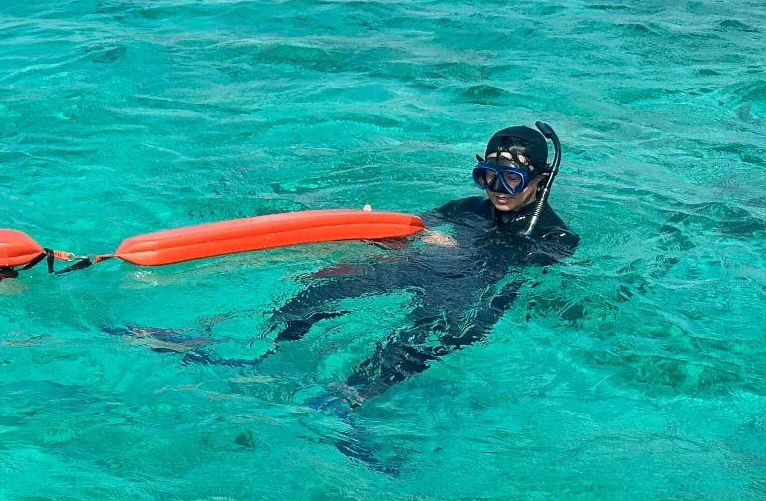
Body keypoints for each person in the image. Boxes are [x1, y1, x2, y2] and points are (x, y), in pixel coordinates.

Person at [139, 124, 577, 412]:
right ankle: (246, 345)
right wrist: (382, 230)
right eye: (486, 176)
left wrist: (451, 252)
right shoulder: (465, 207)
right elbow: (419, 227)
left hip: (471, 285)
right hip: (422, 263)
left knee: (435, 330)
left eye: (511, 181)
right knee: (327, 287)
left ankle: (349, 399)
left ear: (539, 179)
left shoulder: (556, 236)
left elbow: (523, 275)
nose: (496, 191)